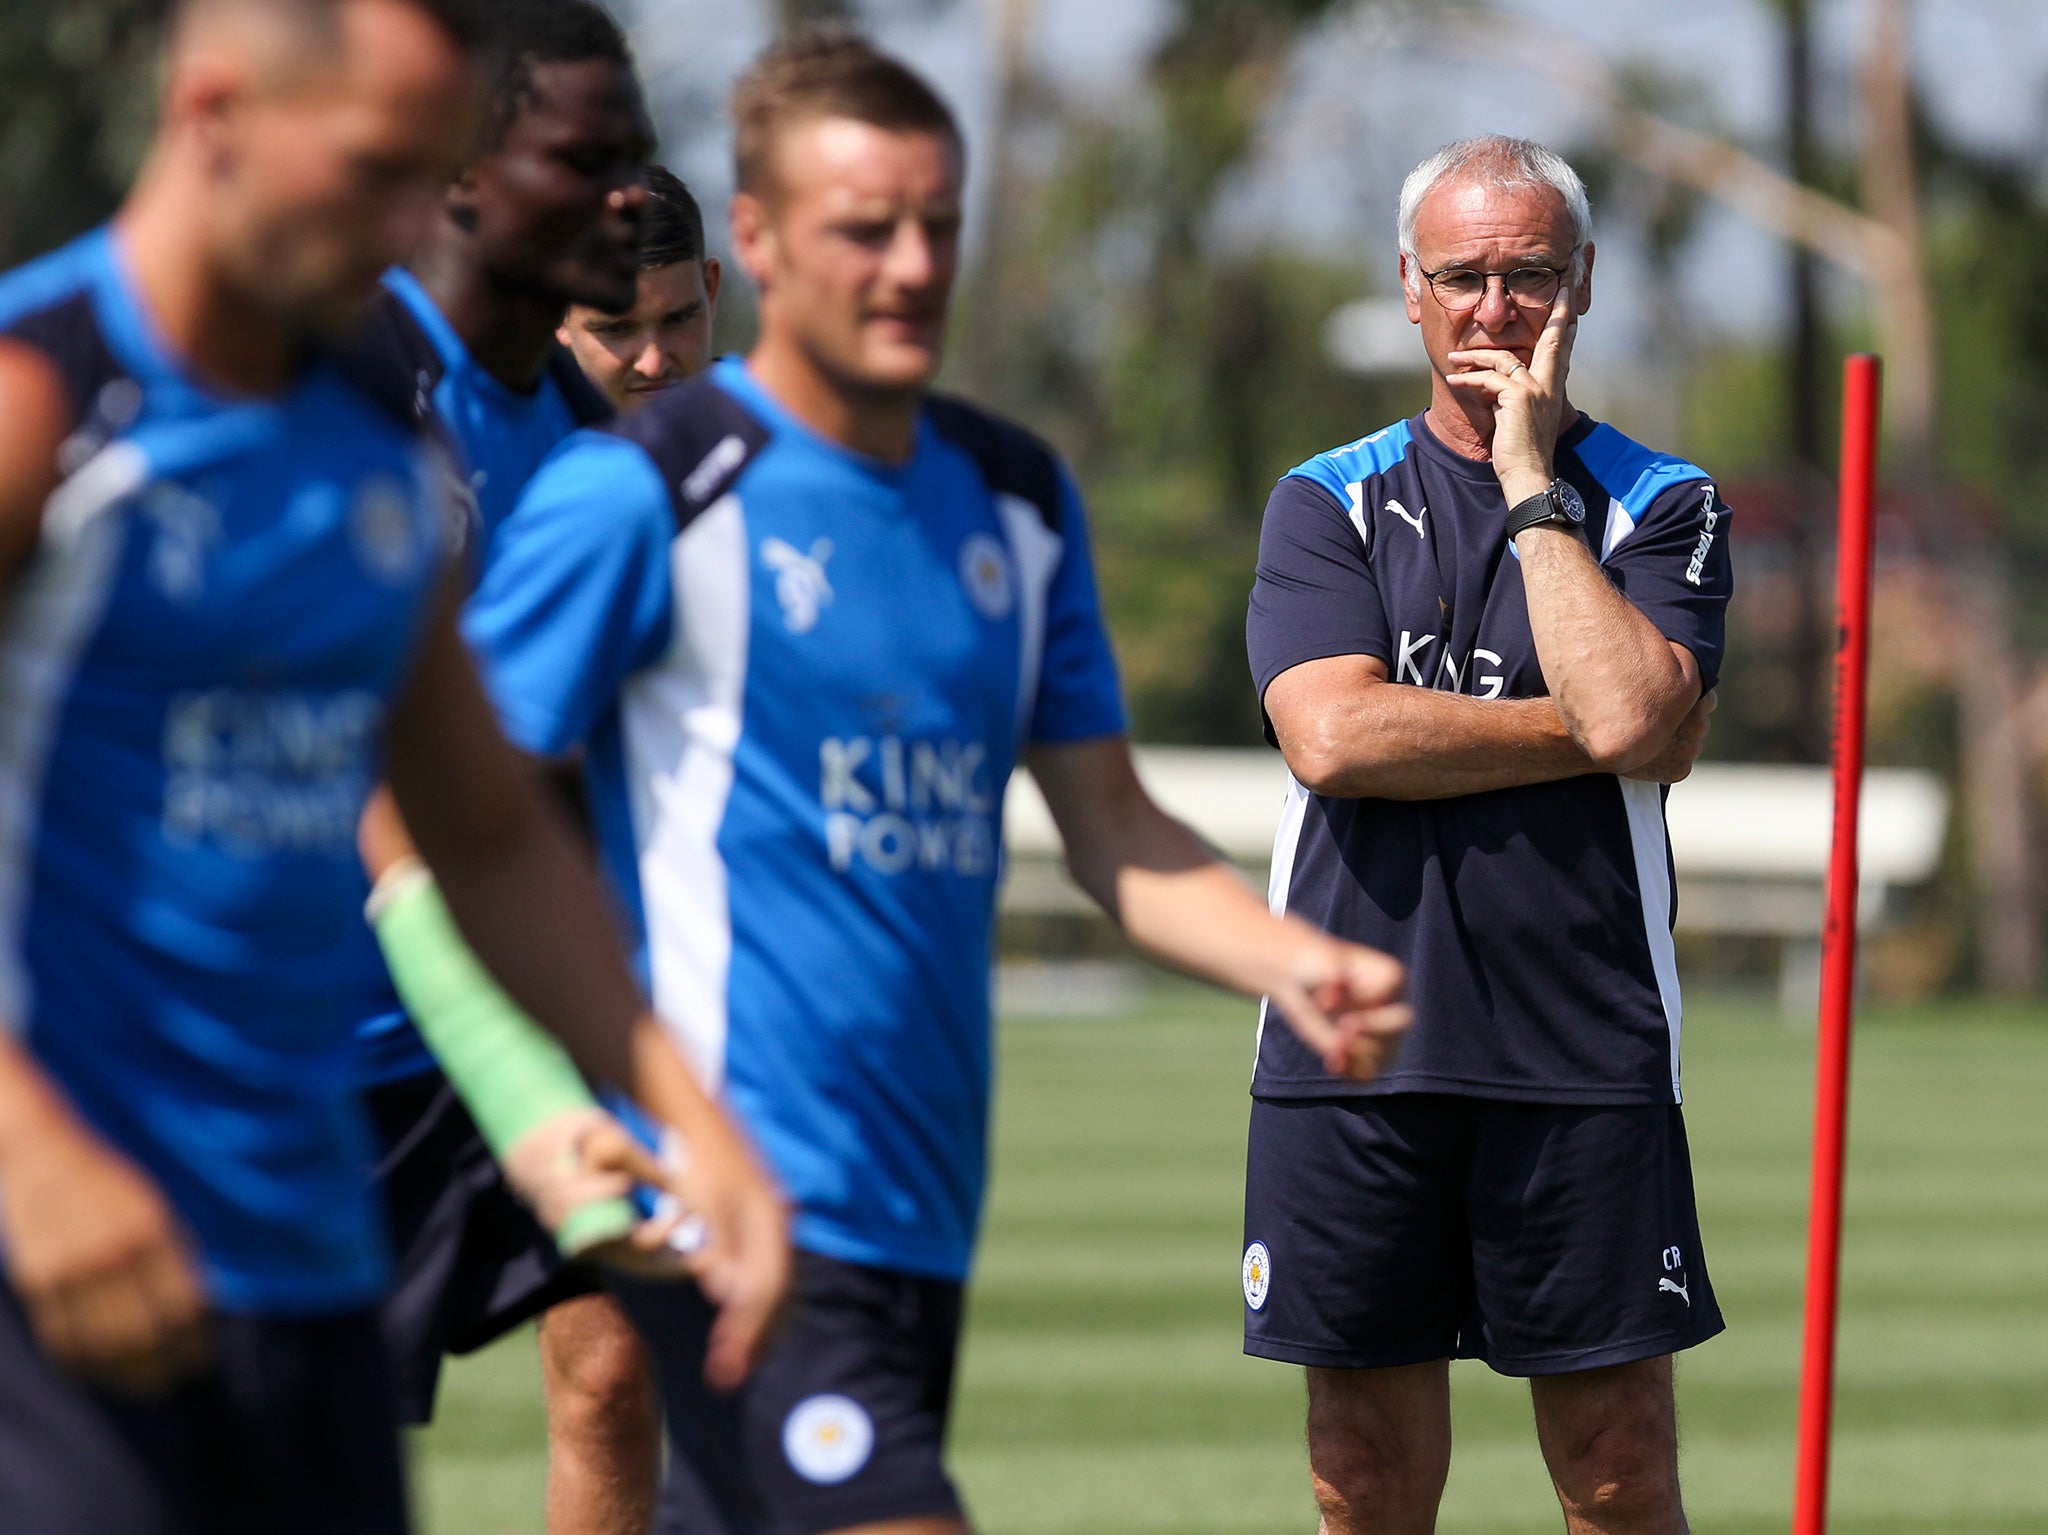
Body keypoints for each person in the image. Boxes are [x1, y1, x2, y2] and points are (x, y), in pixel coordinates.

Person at [469, 30, 1410, 1535]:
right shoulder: (643, 491)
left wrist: (1290, 955)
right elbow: (450, 813)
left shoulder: (1017, 498)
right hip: (736, 1186)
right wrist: (552, 1092)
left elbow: (1110, 825)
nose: (911, 265)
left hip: (918, 1195)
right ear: (760, 242)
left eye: (939, 225)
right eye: (865, 229)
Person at [0, 2, 786, 1531]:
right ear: (214, 109)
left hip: (299, 1254)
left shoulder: (360, 426)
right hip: (62, 1243)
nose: (410, 226)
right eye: (377, 170)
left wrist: (673, 1111)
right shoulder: (44, 394)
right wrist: (29, 1148)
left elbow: (478, 830)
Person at [1242, 135, 1732, 1535]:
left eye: (1529, 275)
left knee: (1620, 1467)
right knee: (1364, 1473)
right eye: (1463, 275)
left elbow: (1640, 703)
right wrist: (1582, 728)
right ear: (1408, 285)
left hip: (1582, 1044)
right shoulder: (1324, 499)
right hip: (1354, 1043)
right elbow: (1332, 737)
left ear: (1583, 283)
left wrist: (1529, 482)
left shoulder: (1663, 499)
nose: (1495, 308)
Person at [341, 6, 688, 1534]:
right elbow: (380, 782)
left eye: (633, 158)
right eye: (582, 157)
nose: (622, 197)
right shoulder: (340, 382)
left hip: (532, 992)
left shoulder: (603, 452)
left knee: (618, 1359)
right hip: (318, 1024)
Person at [559, 165, 722, 410]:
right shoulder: (522, 442)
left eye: (678, 319)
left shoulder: (786, 422)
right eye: (617, 329)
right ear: (555, 313)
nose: (654, 366)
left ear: (710, 289)